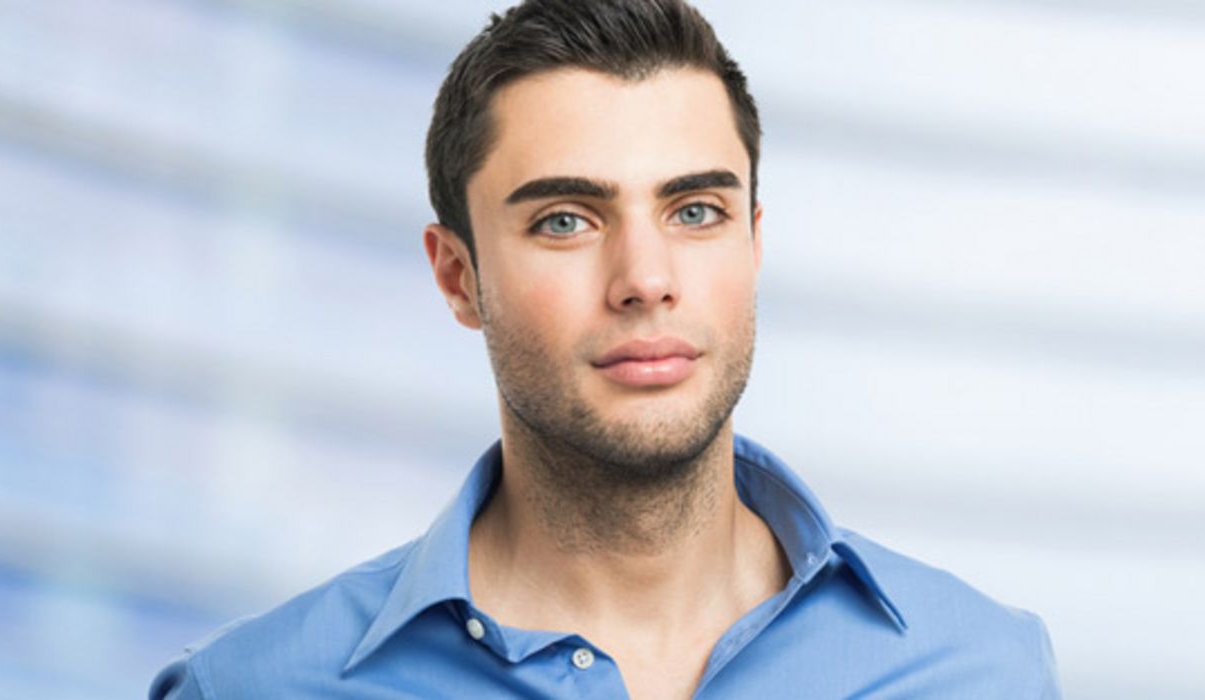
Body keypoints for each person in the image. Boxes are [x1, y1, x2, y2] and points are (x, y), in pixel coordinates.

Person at [149, 0, 1061, 697]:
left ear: (753, 244)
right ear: (458, 278)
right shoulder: (249, 688)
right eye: (565, 220)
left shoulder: (983, 669)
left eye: (694, 211)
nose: (643, 277)